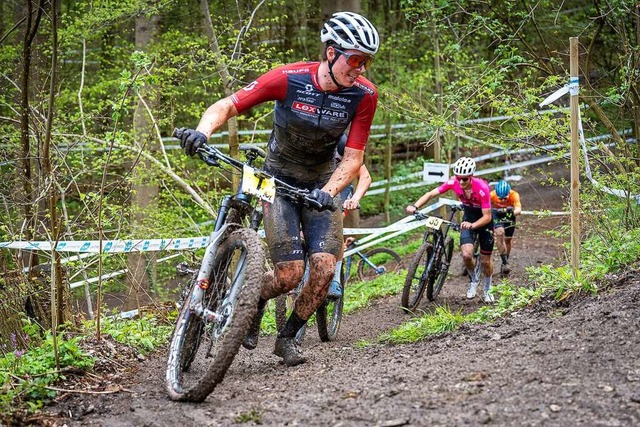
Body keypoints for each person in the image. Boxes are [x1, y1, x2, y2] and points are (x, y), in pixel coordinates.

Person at [175, 11, 380, 366]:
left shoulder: (364, 96)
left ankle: (287, 338)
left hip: (322, 184)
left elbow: (353, 158)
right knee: (288, 275)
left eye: (366, 62)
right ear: (331, 53)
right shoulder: (288, 78)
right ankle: (254, 300)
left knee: (324, 269)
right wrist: (202, 132)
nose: (360, 69)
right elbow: (227, 105)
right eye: (355, 59)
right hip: (278, 181)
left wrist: (330, 191)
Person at [405, 157, 496, 303]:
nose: (461, 182)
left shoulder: (482, 188)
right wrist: (415, 206)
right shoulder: (454, 182)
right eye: (459, 178)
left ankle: (488, 289)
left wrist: (473, 226)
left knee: (486, 261)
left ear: (471, 176)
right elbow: (431, 194)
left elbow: (487, 216)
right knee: (466, 256)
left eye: (464, 179)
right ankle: (474, 280)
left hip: (484, 223)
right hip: (468, 218)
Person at [327, 134, 372, 299]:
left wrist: (355, 199)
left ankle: (336, 277)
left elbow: (365, 176)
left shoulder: (342, 143)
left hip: (341, 187)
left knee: (334, 223)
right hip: (316, 184)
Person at [490, 180, 522, 275]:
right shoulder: (491, 195)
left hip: (509, 215)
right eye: (500, 198)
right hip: (497, 215)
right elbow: (484, 205)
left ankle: (505, 262)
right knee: (499, 234)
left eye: (505, 198)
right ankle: (504, 262)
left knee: (508, 239)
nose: (503, 200)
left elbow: (518, 209)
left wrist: (512, 211)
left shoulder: (514, 195)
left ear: (509, 193)